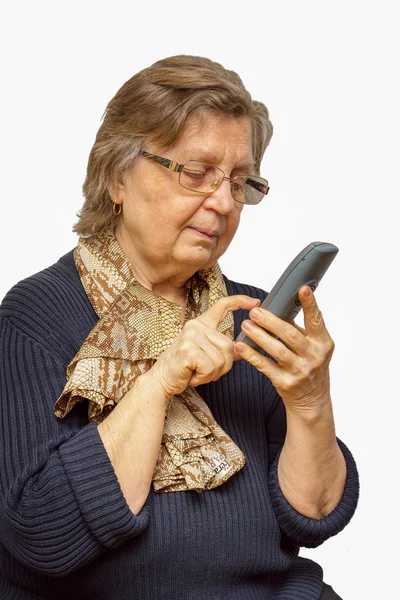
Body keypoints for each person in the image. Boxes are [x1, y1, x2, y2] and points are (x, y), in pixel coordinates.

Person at [0, 55, 359, 600]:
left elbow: (312, 516)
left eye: (240, 184)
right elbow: (41, 534)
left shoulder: (254, 319)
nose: (222, 203)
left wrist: (310, 403)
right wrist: (161, 380)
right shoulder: (35, 317)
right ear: (117, 176)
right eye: (196, 174)